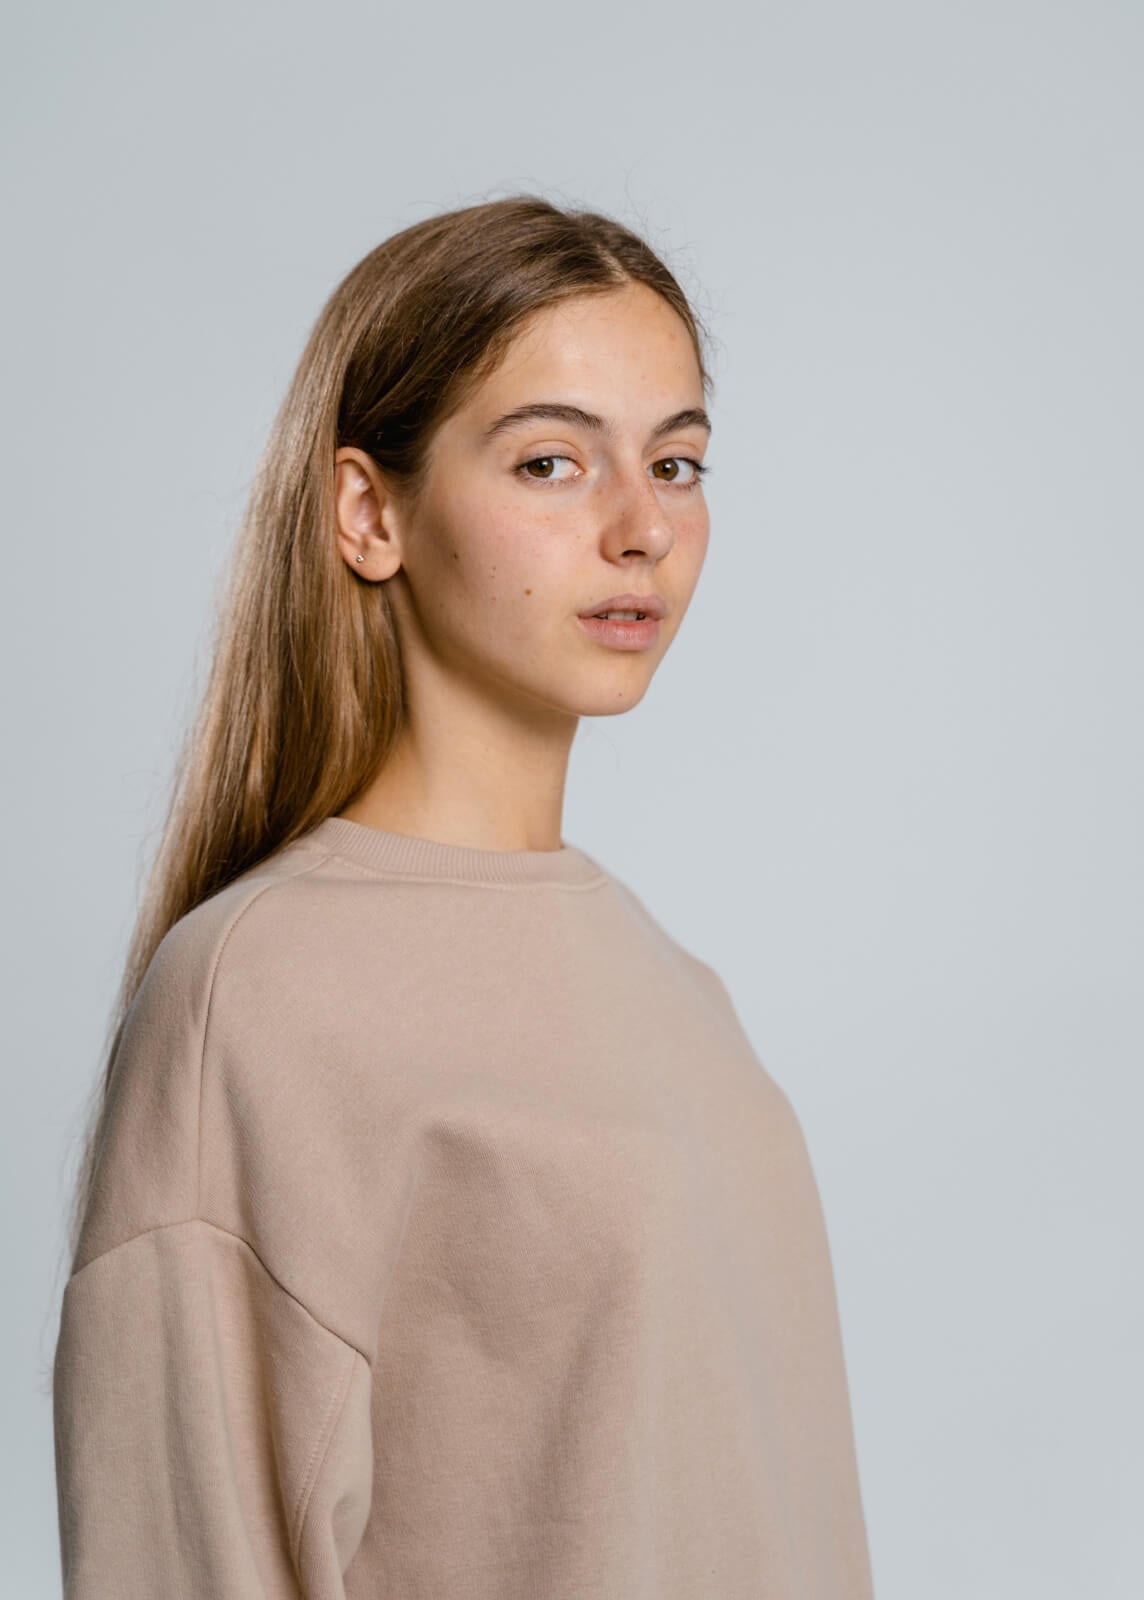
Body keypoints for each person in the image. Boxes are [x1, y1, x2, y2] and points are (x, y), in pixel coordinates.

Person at [51, 194, 875, 1599]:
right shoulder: (256, 996)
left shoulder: (679, 991)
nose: (641, 528)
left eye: (676, 463)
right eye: (552, 462)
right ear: (370, 512)